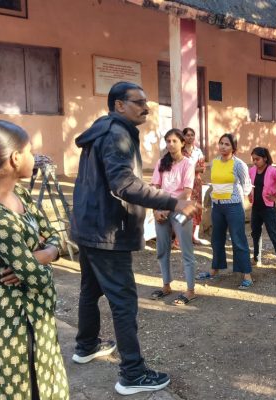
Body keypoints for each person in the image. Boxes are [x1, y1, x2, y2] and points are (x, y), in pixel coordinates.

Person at [69, 81, 198, 395]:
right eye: (138, 102)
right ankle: (132, 373)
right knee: (124, 302)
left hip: (88, 226)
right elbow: (124, 184)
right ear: (119, 105)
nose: (146, 107)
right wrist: (173, 202)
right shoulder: (117, 133)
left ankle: (86, 345)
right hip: (107, 231)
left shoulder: (101, 131)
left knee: (90, 289)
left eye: (146, 101)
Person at [0, 120, 69, 400]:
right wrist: (44, 259)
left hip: (37, 320)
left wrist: (45, 253)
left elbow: (54, 235)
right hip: (13, 328)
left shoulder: (18, 193)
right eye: (30, 151)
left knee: (46, 388)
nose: (35, 157)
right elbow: (39, 280)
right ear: (15, 158)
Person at [197, 133, 254, 289]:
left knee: (238, 240)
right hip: (217, 207)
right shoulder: (214, 162)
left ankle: (246, 274)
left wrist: (239, 198)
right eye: (221, 143)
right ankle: (215, 269)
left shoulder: (239, 164)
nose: (223, 146)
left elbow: (247, 185)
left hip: (234, 206)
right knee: (216, 239)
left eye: (227, 144)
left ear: (233, 147)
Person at [150, 128, 197, 305]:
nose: (170, 144)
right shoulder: (161, 162)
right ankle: (166, 286)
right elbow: (154, 187)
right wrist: (155, 210)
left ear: (182, 143)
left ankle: (190, 290)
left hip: (180, 211)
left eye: (174, 141)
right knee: (162, 249)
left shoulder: (188, 164)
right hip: (161, 210)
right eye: (168, 141)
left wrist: (167, 209)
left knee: (186, 251)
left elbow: (186, 192)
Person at [249, 147, 276, 274]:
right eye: (253, 159)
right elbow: (248, 183)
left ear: (265, 158)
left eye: (257, 159)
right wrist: (249, 194)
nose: (255, 162)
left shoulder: (272, 171)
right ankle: (256, 258)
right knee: (255, 234)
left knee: (273, 235)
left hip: (268, 209)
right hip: (256, 207)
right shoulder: (252, 170)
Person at [182, 127, 210, 246]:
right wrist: (193, 168)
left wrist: (188, 169)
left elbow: (202, 168)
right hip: (183, 183)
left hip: (196, 183)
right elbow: (177, 168)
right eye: (187, 135)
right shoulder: (179, 151)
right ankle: (180, 238)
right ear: (183, 137)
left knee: (197, 209)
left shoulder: (198, 151)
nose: (190, 137)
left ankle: (194, 236)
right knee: (183, 208)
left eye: (192, 135)